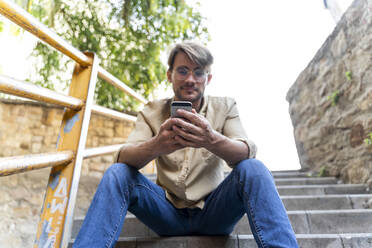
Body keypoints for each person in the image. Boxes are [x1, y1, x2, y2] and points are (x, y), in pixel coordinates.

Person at [73, 42, 298, 247]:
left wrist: (211, 140)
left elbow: (245, 151)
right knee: (117, 173)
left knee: (254, 168)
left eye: (198, 72)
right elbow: (124, 157)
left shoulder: (226, 107)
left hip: (215, 212)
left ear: (208, 78)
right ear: (170, 75)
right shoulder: (151, 111)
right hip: (165, 213)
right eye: (183, 70)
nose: (191, 79)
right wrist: (157, 146)